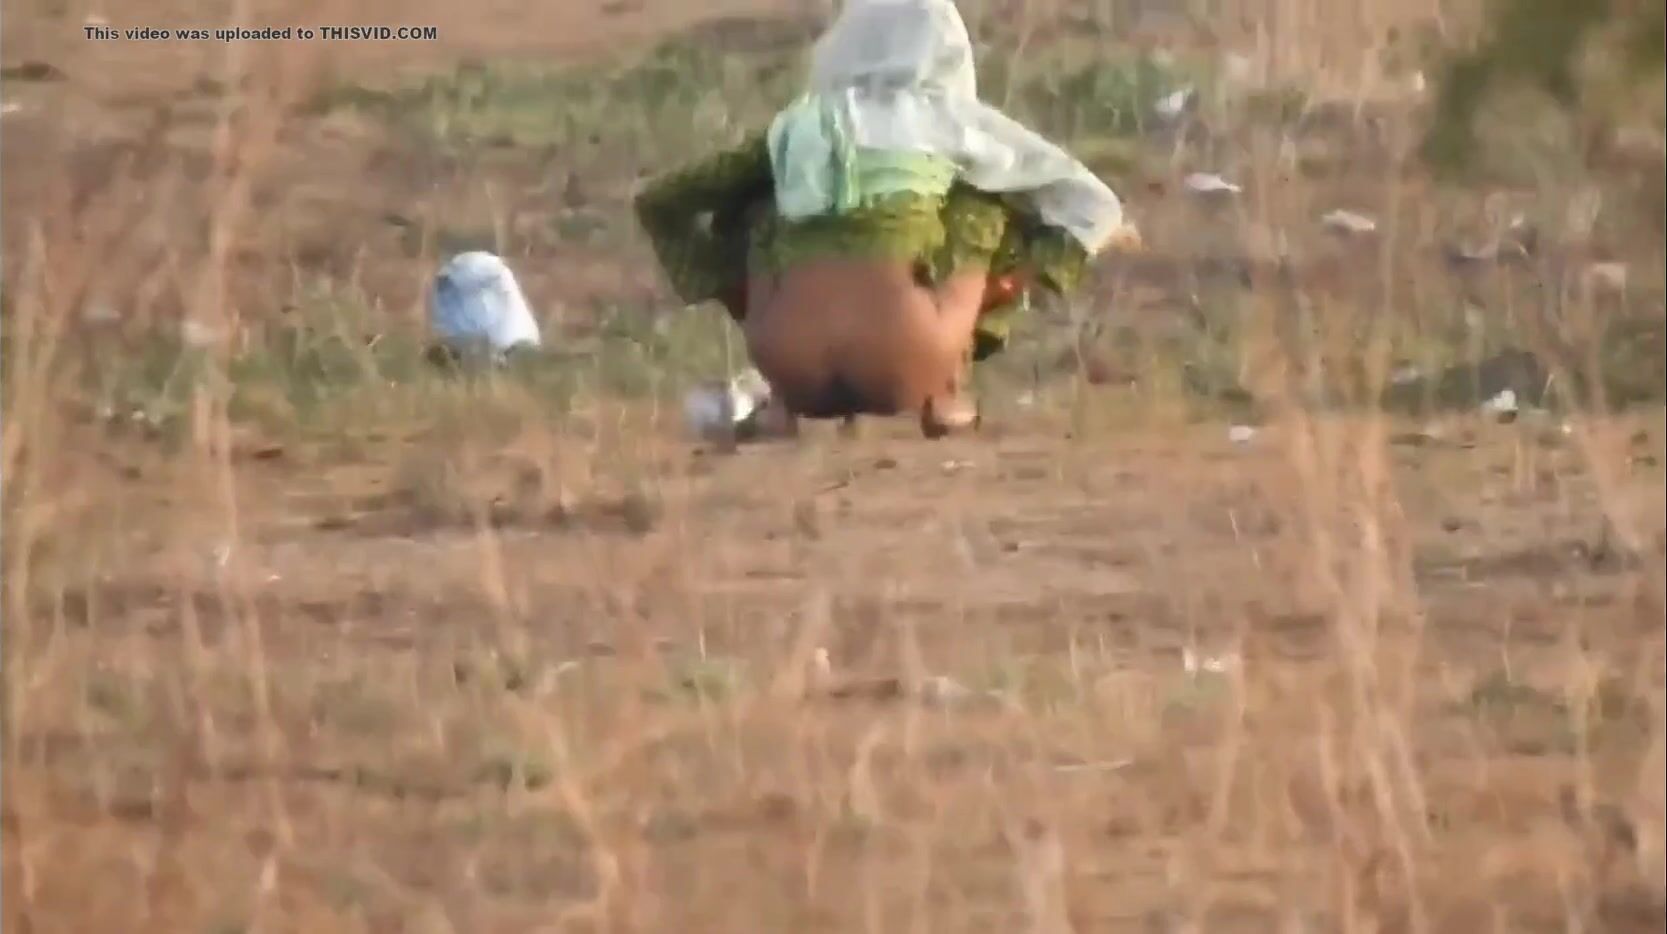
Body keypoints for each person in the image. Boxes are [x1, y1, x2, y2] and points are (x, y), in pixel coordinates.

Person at [635, 0, 1138, 437]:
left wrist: (734, 290)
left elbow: (660, 203)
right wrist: (1023, 276)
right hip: (907, 357)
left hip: (788, 361)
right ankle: (945, 393)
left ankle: (779, 406)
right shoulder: (949, 120)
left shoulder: (792, 129)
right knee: (983, 204)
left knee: (758, 202)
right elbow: (1094, 206)